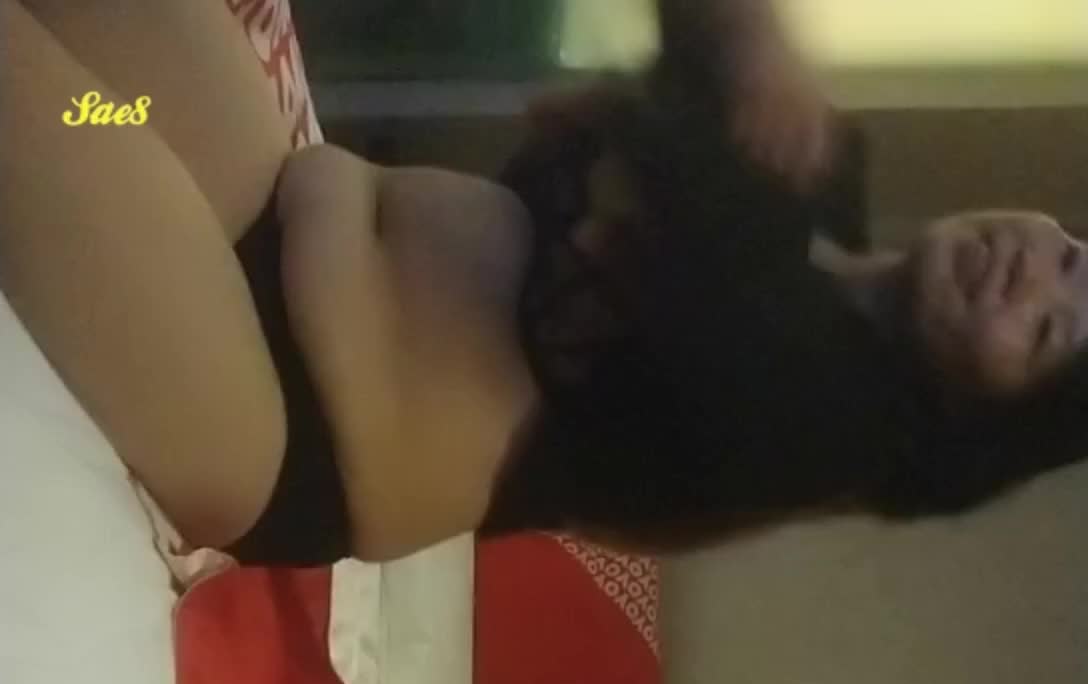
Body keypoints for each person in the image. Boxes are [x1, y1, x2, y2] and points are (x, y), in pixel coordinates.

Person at [2, 0, 1087, 570]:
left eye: (1044, 331)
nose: (1026, 276)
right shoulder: (810, 180)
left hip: (259, 402)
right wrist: (741, 42)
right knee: (96, 101)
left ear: (989, 417)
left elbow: (705, 285)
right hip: (255, 196)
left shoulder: (820, 428)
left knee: (32, 98)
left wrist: (744, 44)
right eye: (1070, 258)